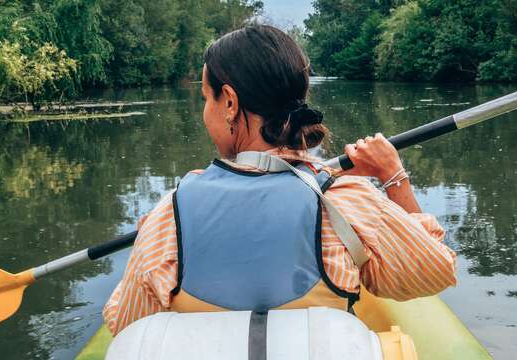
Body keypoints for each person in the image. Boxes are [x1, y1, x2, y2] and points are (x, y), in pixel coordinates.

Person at [103, 24, 457, 336]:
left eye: (206, 98)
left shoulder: (170, 213)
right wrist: (393, 177)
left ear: (229, 102)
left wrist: (152, 244)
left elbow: (124, 324)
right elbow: (435, 270)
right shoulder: (345, 199)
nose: (204, 112)